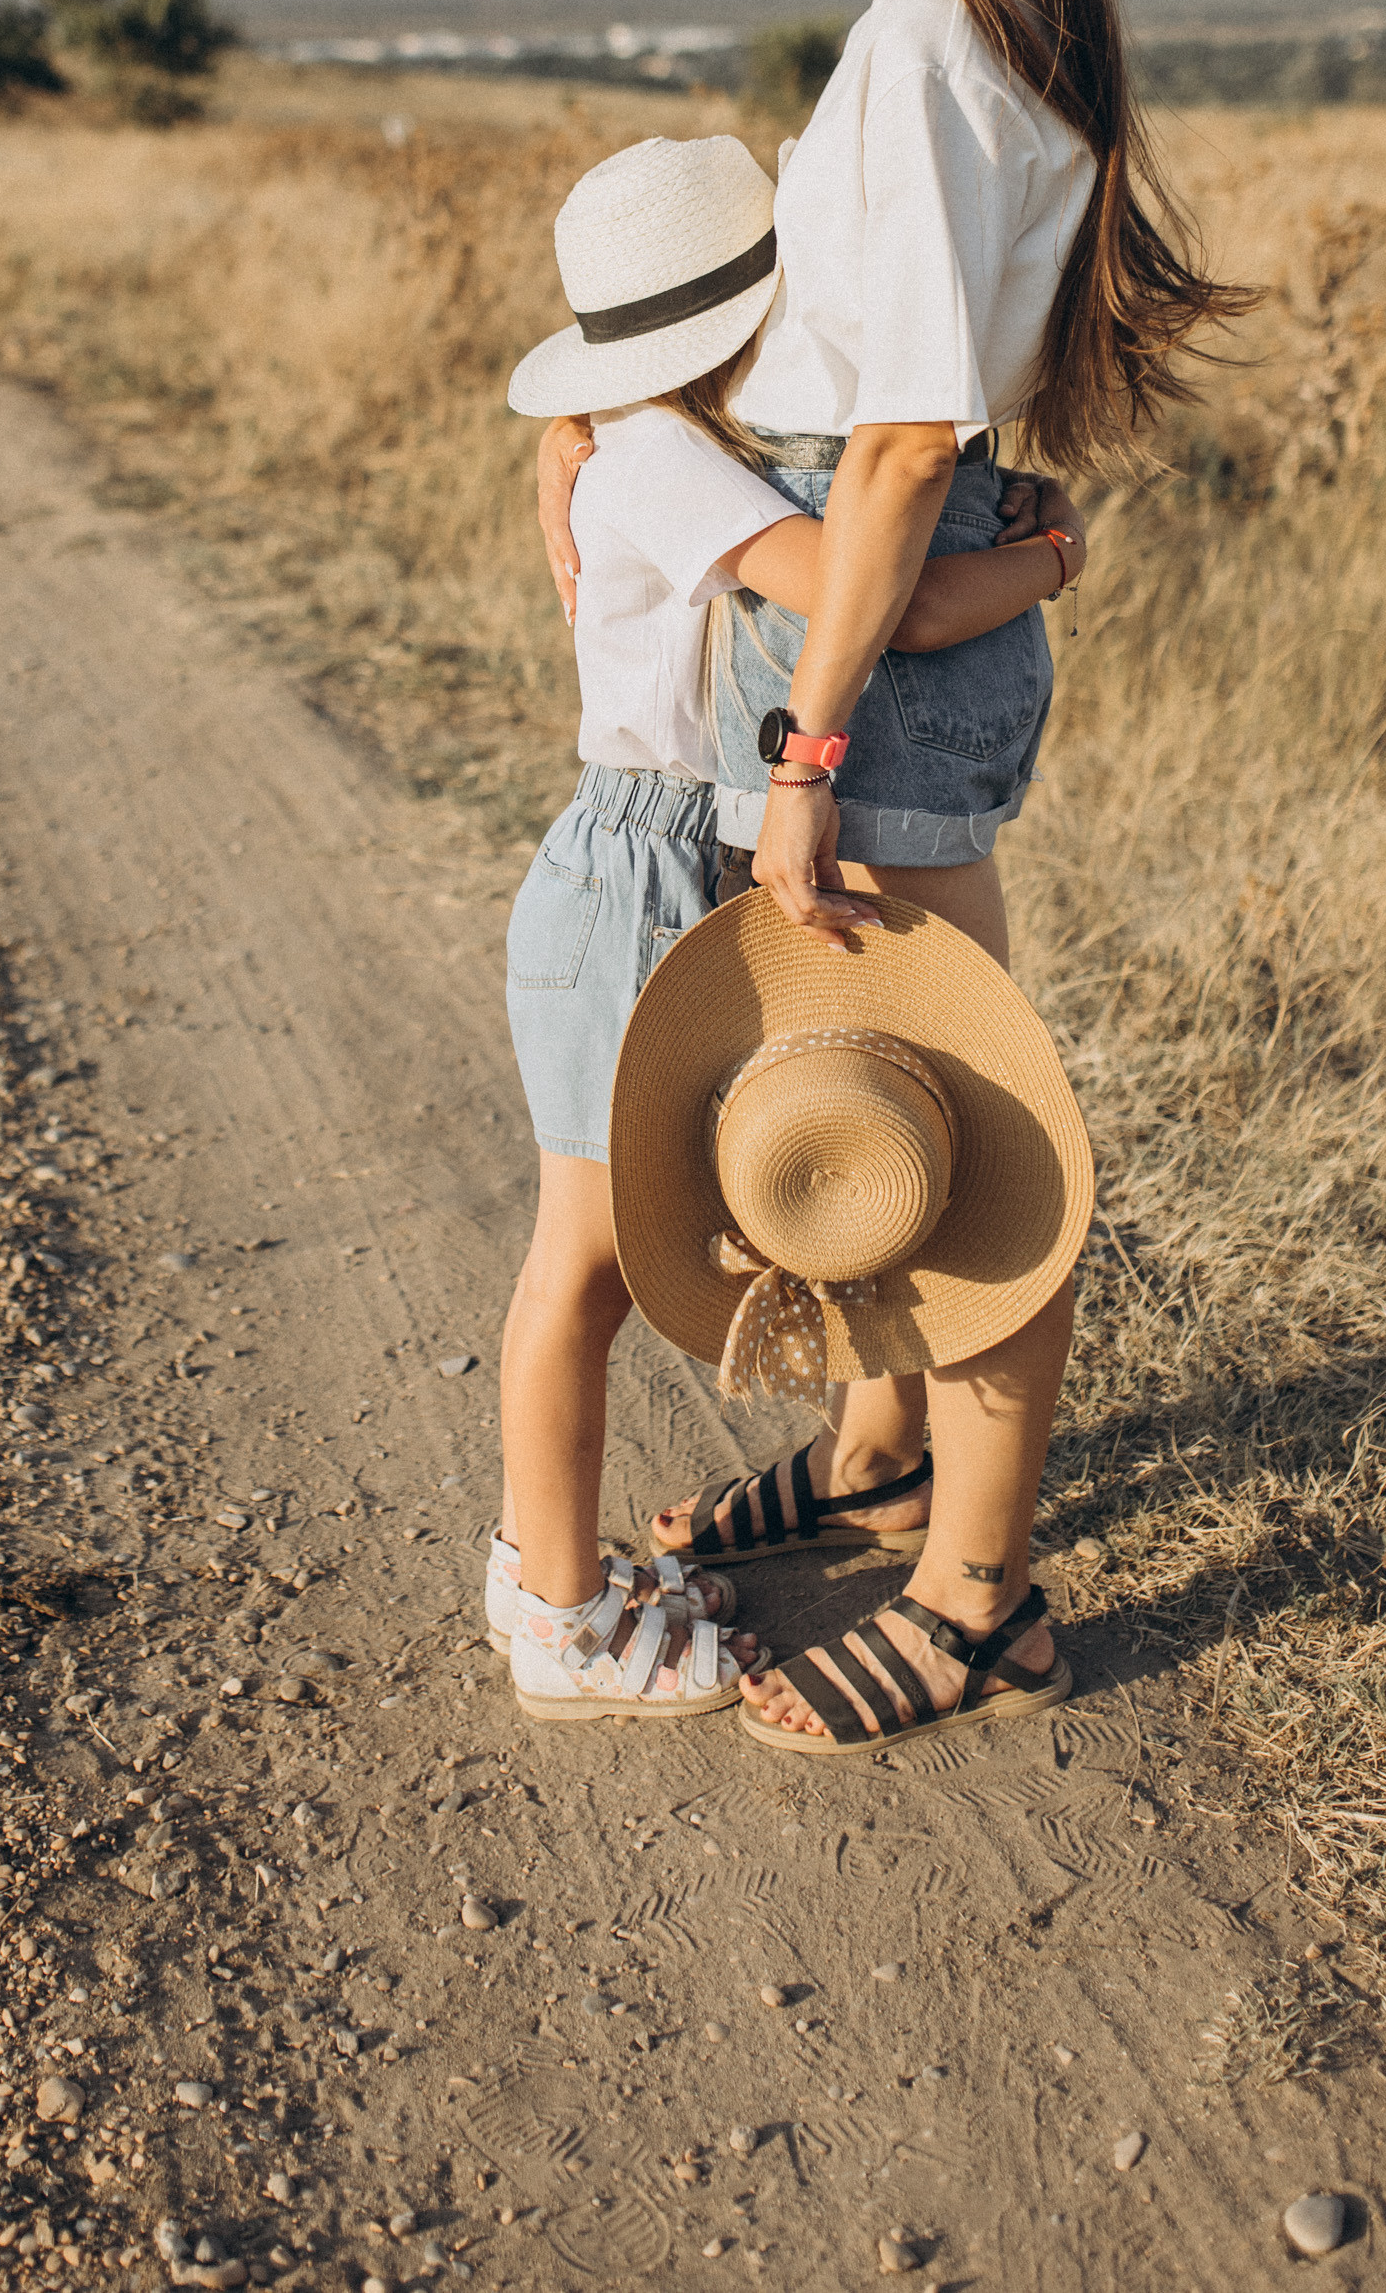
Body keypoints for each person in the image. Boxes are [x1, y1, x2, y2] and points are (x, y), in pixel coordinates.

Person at [536, 0, 1246, 1749]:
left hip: (876, 607)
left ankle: (976, 1598)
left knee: (970, 1129)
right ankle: (880, 1454)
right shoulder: (974, 6)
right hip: (877, 563)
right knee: (874, 1072)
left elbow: (910, 439)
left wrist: (806, 744)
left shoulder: (937, 47)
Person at [494, 128, 1086, 1723]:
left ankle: (780, 1502)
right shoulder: (660, 457)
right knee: (587, 1271)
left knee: (645, 1244)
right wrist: (1041, 551)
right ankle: (551, 1604)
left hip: (664, 855)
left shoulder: (634, 440)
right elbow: (872, 596)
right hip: (635, 874)